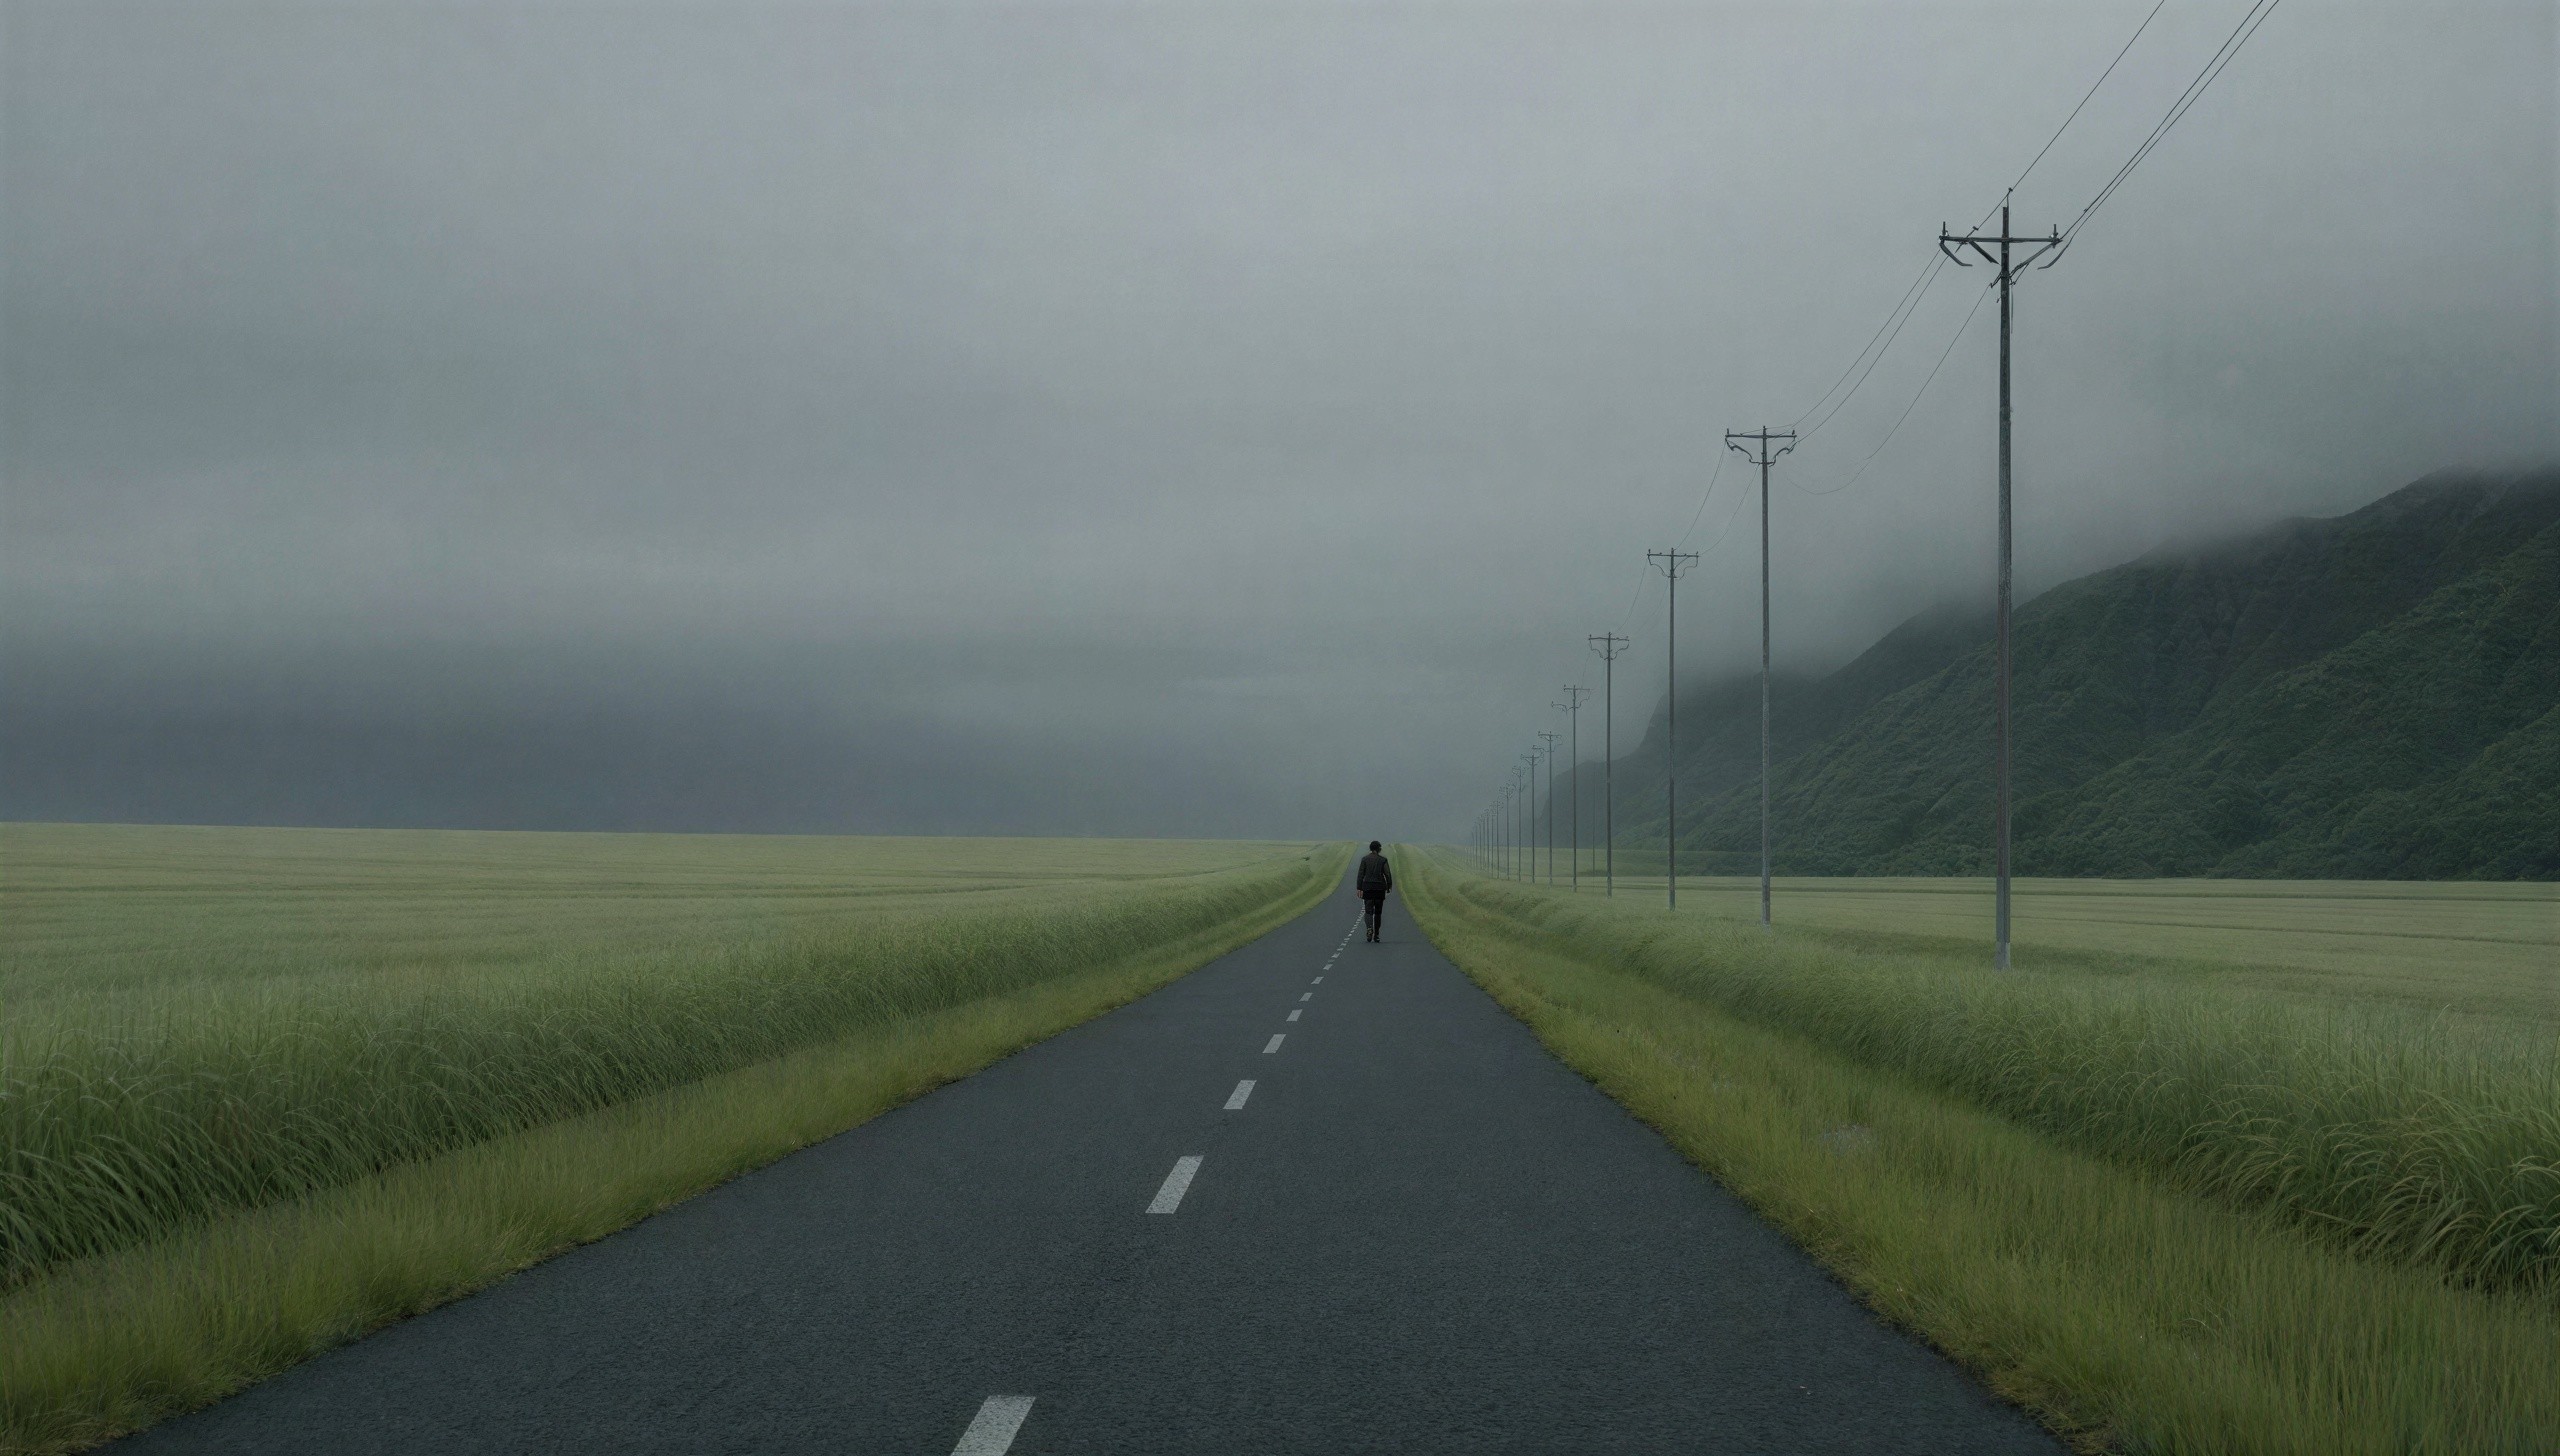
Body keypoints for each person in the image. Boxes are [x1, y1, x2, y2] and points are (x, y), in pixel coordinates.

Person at [1355, 840, 1393, 942]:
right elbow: (1387, 874)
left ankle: (1369, 928)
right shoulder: (1383, 860)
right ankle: (1376, 934)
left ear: (1371, 848)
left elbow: (1360, 874)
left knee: (1368, 911)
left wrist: (1359, 888)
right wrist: (1389, 886)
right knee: (1378, 913)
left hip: (1367, 887)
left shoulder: (1365, 859)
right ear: (1379, 849)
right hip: (1380, 888)